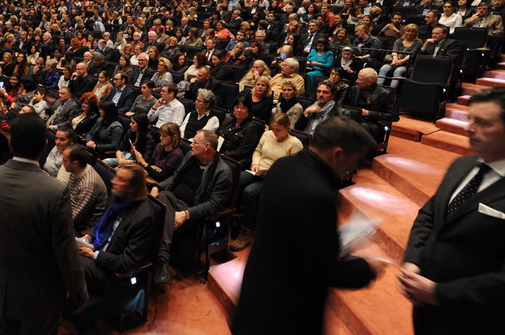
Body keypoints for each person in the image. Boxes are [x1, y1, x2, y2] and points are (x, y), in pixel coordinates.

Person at [232, 117, 382, 335]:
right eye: (355, 160)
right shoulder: (318, 193)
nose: (354, 167)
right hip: (284, 316)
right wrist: (367, 268)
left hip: (255, 295)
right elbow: (322, 270)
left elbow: (293, 236)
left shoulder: (282, 166)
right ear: (338, 154)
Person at [399, 88, 505, 334]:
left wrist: (438, 293)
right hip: (425, 308)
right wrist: (412, 261)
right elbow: (429, 216)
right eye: (470, 119)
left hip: (478, 320)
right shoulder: (461, 165)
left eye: (483, 123)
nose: (469, 128)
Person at [0, 113, 87, 334]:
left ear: (10, 142)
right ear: (45, 145)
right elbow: (65, 250)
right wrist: (79, 293)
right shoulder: (54, 191)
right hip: (38, 297)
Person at [75, 163, 155, 328]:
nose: (114, 181)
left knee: (68, 261)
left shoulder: (144, 217)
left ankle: (73, 307)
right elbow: (101, 222)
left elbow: (128, 262)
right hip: (97, 250)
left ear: (132, 188)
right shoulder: (118, 197)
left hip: (111, 273)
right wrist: (88, 237)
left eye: (120, 179)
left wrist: (94, 255)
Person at [151, 130, 232, 285]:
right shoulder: (190, 157)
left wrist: (186, 214)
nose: (190, 145)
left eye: (195, 142)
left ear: (207, 146)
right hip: (170, 199)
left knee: (159, 209)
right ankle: (162, 257)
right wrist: (157, 186)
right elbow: (175, 177)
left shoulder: (222, 172)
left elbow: (214, 205)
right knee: (158, 198)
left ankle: (159, 260)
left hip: (190, 211)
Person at [230, 113, 303, 251]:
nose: (274, 133)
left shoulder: (295, 143)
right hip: (258, 170)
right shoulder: (266, 135)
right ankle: (232, 217)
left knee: (249, 191)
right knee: (235, 180)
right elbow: (257, 151)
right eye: (273, 129)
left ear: (287, 127)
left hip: (277, 178)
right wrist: (255, 164)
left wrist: (270, 173)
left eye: (278, 130)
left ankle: (247, 231)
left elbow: (293, 170)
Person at [62, 145, 108, 234]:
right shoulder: (76, 170)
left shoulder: (88, 186)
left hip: (82, 228)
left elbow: (75, 219)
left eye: (64, 160)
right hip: (68, 212)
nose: (62, 163)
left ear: (75, 163)